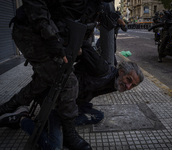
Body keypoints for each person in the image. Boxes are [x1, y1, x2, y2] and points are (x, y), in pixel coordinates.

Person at [0, 0, 116, 150]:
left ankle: (10, 108)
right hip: (32, 33)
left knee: (44, 79)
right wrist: (52, 39)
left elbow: (81, 27)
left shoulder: (97, 4)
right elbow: (36, 6)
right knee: (68, 81)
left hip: (55, 39)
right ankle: (68, 134)